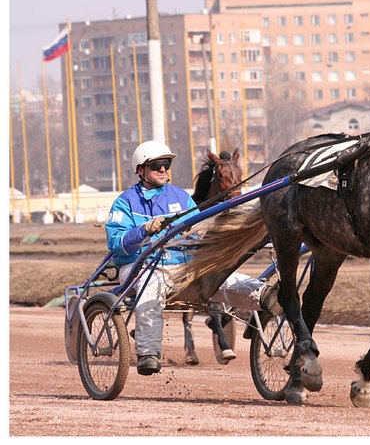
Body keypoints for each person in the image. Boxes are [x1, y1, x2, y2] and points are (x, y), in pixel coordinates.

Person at [106, 140, 277, 376]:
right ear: (141, 169)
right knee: (151, 286)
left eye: (166, 164)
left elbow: (199, 225)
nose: (164, 169)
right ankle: (148, 352)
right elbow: (115, 242)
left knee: (220, 278)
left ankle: (266, 296)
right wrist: (144, 230)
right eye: (157, 165)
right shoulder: (125, 202)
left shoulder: (180, 196)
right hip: (141, 266)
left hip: (182, 263)